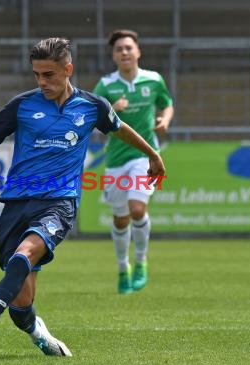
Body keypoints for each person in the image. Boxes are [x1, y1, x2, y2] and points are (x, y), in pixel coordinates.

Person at [0, 37, 165, 357]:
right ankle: (38, 331)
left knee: (23, 254)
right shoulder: (21, 105)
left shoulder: (92, 106)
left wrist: (152, 155)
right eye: (37, 74)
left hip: (59, 202)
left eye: (48, 75)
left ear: (68, 70)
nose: (42, 82)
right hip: (16, 203)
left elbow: (119, 128)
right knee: (21, 300)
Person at [93, 29, 174, 295]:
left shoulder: (153, 80)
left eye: (129, 48)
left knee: (137, 209)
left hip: (144, 156)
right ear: (114, 56)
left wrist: (165, 119)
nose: (125, 52)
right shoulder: (106, 85)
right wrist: (112, 110)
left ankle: (140, 262)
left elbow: (167, 103)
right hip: (116, 159)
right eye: (119, 49)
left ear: (138, 51)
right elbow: (91, 119)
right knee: (120, 219)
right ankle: (122, 267)